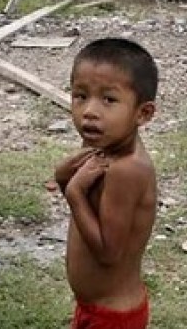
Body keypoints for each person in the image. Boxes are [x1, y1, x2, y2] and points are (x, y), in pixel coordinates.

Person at [54, 38, 159, 329]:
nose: (90, 111)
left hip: (113, 318)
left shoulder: (127, 170)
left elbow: (108, 252)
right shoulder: (102, 149)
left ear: (143, 113)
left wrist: (73, 191)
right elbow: (91, 213)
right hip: (93, 307)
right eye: (80, 96)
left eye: (109, 100)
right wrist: (66, 180)